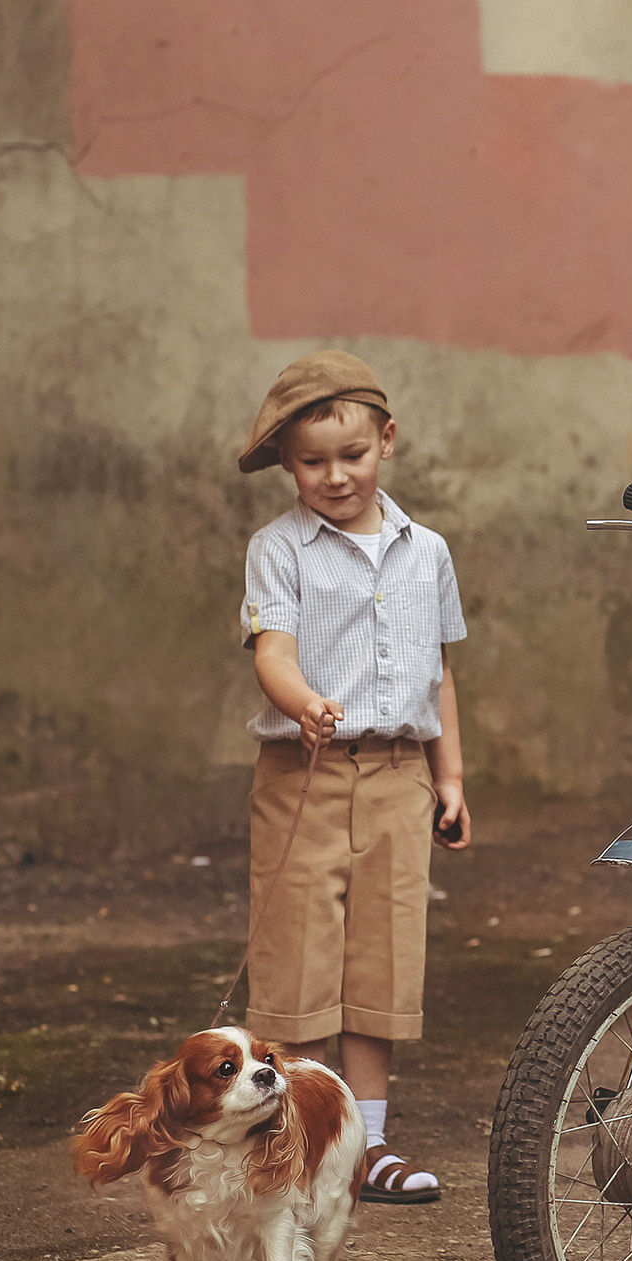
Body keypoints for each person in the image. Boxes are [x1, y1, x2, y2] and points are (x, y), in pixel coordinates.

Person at [236, 349, 471, 1206]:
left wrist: (450, 778)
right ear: (288, 463)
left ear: (388, 442)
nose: (334, 476)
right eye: (311, 461)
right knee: (297, 957)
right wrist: (303, 703)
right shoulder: (279, 550)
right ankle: (286, 1141)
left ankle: (366, 1144)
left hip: (401, 777)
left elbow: (439, 672)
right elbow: (275, 651)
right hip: (305, 772)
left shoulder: (428, 552)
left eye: (352, 455)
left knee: (384, 953)